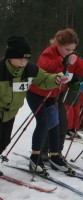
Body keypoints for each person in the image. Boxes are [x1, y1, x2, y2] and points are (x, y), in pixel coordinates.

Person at [26, 28, 83, 173]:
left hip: (54, 96)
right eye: (67, 49)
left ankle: (55, 156)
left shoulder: (71, 56)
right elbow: (45, 68)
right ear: (58, 44)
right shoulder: (49, 53)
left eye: (72, 49)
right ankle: (35, 157)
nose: (70, 51)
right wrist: (64, 63)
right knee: (44, 123)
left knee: (57, 124)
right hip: (38, 94)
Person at [0, 36, 69, 175]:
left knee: (3, 141)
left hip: (10, 113)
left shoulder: (30, 69)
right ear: (10, 56)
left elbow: (43, 78)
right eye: (20, 58)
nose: (23, 62)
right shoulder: (1, 70)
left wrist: (56, 78)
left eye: (26, 59)